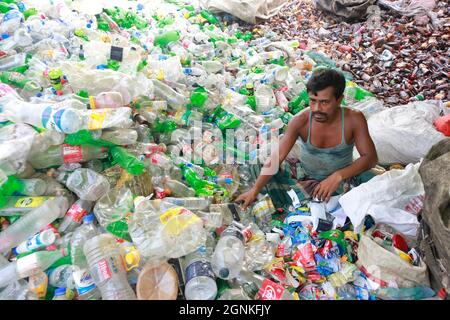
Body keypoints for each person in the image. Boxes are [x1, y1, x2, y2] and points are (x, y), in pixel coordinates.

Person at [236, 68, 378, 209]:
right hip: (306, 177)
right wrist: (254, 191)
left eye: (324, 102)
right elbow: (277, 157)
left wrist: (338, 176)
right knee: (258, 165)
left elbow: (370, 158)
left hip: (343, 178)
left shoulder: (353, 119)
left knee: (375, 191)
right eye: (312, 100)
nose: (317, 108)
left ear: (339, 100)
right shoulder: (300, 120)